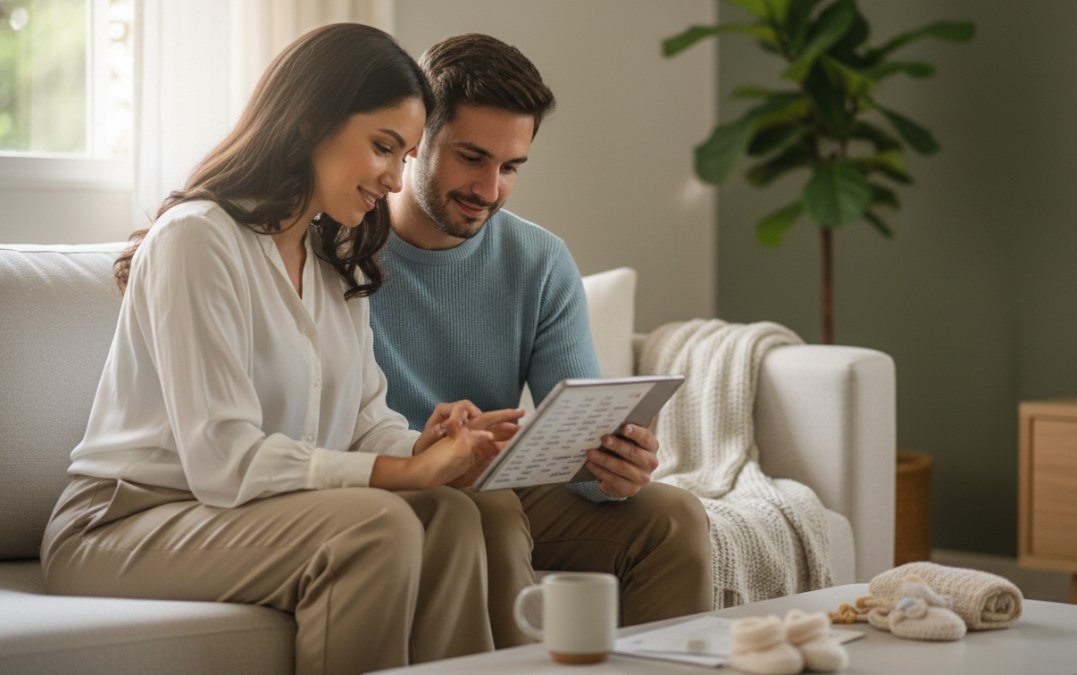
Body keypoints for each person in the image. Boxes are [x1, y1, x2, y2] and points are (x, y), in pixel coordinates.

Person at [40, 24, 521, 674]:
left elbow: (362, 425)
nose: (393, 177)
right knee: (378, 526)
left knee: (452, 513)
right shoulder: (197, 239)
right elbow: (222, 460)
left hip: (235, 512)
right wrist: (401, 474)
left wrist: (425, 447)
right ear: (307, 123)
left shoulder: (335, 257)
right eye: (383, 147)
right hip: (121, 522)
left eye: (404, 155)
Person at [370, 33, 714, 648]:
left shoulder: (539, 260)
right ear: (417, 139)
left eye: (510, 167)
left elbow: (577, 441)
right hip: (390, 475)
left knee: (674, 517)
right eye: (471, 157)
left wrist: (613, 465)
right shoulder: (345, 241)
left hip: (495, 477)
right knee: (489, 512)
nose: (490, 189)